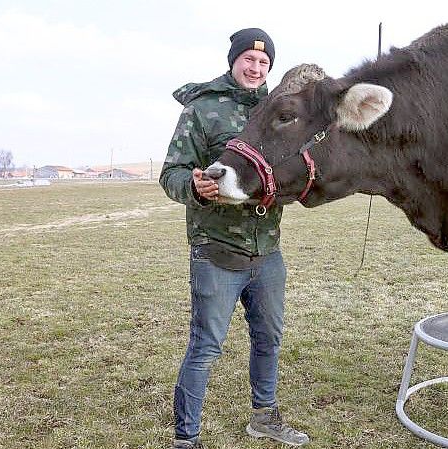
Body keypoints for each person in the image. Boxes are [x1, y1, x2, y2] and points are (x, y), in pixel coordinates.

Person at [160, 28, 309, 449]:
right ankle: (186, 439)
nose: (255, 67)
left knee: (269, 339)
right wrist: (193, 186)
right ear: (234, 60)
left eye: (263, 63)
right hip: (217, 252)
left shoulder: (278, 110)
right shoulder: (202, 110)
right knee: (205, 347)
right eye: (248, 59)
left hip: (267, 251)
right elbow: (171, 173)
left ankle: (264, 417)